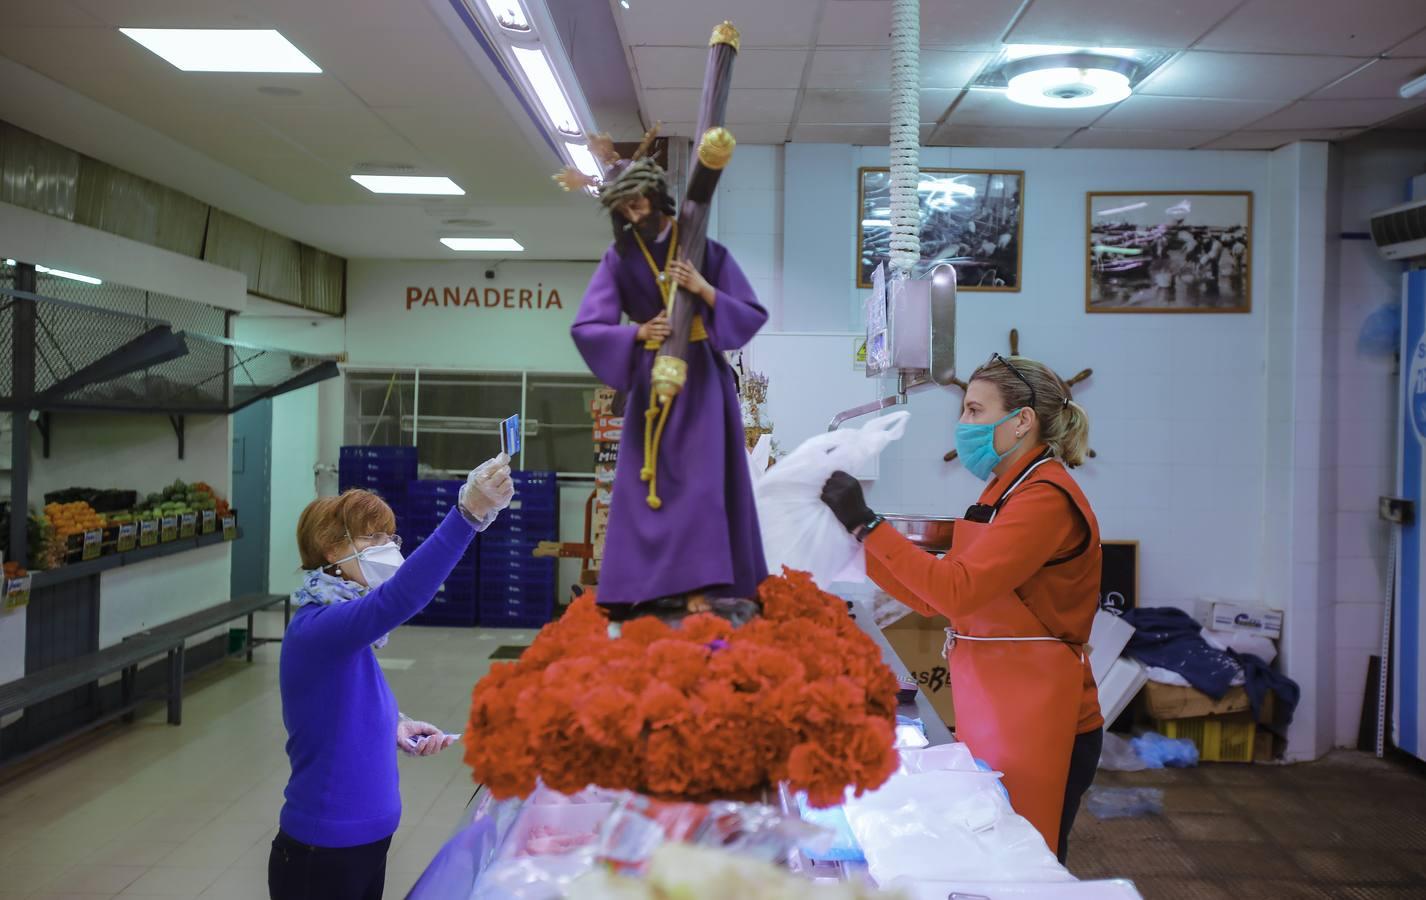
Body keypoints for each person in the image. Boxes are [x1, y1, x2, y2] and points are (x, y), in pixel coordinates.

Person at [820, 354, 1103, 863]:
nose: (963, 424)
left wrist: (867, 524)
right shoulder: (1002, 489)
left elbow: (957, 589)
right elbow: (933, 596)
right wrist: (856, 547)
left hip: (1041, 716)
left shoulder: (1046, 498)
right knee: (992, 852)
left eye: (974, 410)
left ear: (1022, 420)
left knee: (1023, 865)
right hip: (997, 704)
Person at [269, 454, 514, 900]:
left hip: (365, 842)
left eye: (389, 536)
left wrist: (394, 725)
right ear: (331, 549)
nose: (387, 546)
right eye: (373, 536)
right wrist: (467, 516)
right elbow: (401, 598)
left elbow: (338, 703)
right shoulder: (319, 626)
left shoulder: (345, 630)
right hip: (321, 850)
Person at [571, 154, 769, 617]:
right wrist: (639, 332)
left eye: (638, 203)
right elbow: (588, 326)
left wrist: (702, 288)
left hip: (702, 382)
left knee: (703, 485)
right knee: (648, 486)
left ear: (656, 196)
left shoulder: (704, 248)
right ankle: (648, 588)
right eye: (623, 209)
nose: (633, 214)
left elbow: (749, 313)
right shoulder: (619, 258)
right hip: (650, 383)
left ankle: (706, 586)